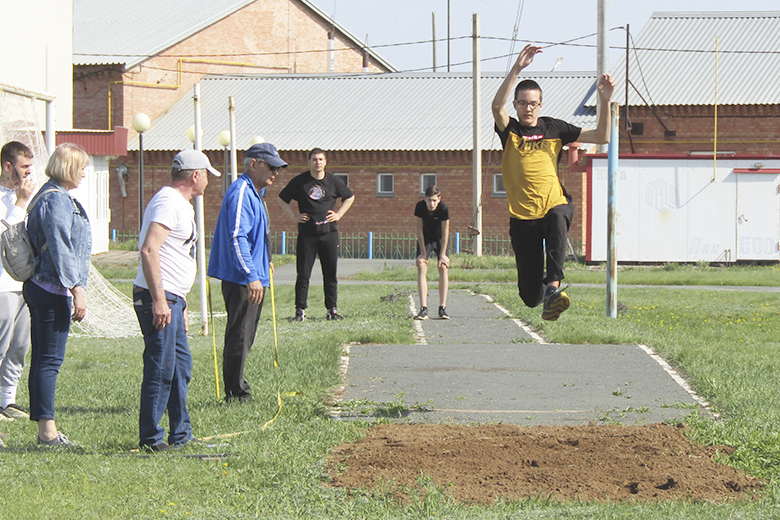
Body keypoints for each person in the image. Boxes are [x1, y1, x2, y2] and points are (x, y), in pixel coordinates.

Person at [491, 44, 614, 321]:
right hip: (523, 218)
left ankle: (553, 289)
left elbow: (602, 135)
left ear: (540, 105)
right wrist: (517, 68)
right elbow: (496, 106)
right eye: (522, 103)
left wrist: (604, 100)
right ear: (516, 105)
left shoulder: (554, 128)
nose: (528, 108)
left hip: (552, 204)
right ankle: (541, 295)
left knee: (560, 214)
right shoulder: (509, 130)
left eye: (533, 103)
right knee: (528, 296)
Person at [133, 149, 220, 451]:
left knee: (180, 365)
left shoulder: (180, 204)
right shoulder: (169, 202)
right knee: (160, 367)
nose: (209, 180)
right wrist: (160, 300)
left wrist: (179, 302)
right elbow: (149, 250)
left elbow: (173, 254)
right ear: (195, 175)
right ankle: (151, 439)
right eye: (207, 174)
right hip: (159, 297)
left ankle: (181, 434)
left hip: (173, 298)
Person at [208, 143, 286, 403]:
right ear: (253, 164)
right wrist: (251, 274)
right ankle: (236, 393)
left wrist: (265, 262)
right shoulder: (242, 191)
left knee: (245, 335)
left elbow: (257, 236)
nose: (276, 173)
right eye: (271, 167)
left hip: (252, 275)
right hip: (241, 279)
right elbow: (237, 236)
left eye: (278, 168)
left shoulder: (257, 192)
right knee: (240, 335)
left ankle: (237, 388)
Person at [25, 143, 91, 446]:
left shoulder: (48, 195)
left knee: (41, 359)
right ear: (68, 168)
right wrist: (77, 289)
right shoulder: (57, 200)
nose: (84, 174)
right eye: (81, 168)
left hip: (42, 286)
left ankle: (44, 429)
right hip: (52, 288)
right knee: (49, 361)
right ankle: (48, 433)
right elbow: (61, 246)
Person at [278, 148, 354, 321]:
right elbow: (282, 198)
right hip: (307, 235)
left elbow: (349, 197)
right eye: (314, 160)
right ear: (309, 162)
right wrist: (294, 216)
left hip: (329, 234)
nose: (317, 162)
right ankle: (300, 311)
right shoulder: (300, 181)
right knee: (303, 274)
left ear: (325, 162)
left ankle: (332, 310)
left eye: (320, 159)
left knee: (330, 274)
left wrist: (339, 214)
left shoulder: (334, 181)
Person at [0, 142, 36, 422]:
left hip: (24, 284)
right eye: (24, 167)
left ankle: (6, 400)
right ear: (8, 167)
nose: (29, 173)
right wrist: (21, 203)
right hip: (2, 285)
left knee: (20, 346)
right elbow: (4, 234)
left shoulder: (28, 195)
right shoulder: (8, 197)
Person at [413, 185, 450, 320]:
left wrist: (442, 255)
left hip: (440, 239)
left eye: (434, 200)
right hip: (426, 239)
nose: (432, 203)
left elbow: (446, 232)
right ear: (425, 199)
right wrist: (423, 253)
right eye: (429, 200)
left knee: (443, 267)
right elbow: (419, 230)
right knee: (422, 266)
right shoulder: (420, 207)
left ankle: (442, 308)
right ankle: (423, 309)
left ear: (439, 199)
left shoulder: (443, 208)